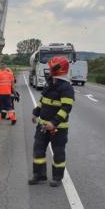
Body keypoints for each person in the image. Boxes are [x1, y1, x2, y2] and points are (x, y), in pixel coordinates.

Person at [29, 56, 74, 187]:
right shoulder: (50, 84)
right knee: (38, 149)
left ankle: (57, 177)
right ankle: (39, 175)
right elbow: (43, 101)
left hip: (58, 129)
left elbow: (66, 108)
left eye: (50, 67)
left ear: (57, 69)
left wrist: (54, 123)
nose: (48, 69)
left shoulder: (66, 87)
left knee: (58, 152)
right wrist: (35, 112)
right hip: (42, 125)